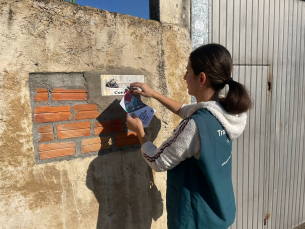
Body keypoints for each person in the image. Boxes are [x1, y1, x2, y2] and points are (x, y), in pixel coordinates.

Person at [126, 44, 252, 229]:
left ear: (201, 78)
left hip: (195, 219)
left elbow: (157, 160)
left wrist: (139, 132)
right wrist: (153, 94)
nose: (184, 77)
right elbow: (184, 109)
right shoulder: (230, 112)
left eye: (187, 71)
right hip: (218, 211)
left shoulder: (195, 125)